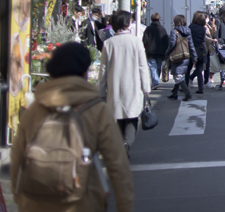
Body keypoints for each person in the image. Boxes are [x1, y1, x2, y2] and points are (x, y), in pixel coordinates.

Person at [11, 42, 134, 212]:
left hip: (35, 202)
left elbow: (17, 158)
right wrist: (124, 206)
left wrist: (21, 200)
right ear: (84, 72)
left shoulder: (36, 109)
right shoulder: (96, 110)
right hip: (81, 201)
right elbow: (117, 165)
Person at [98, 11, 152, 159]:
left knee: (119, 117)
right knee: (132, 118)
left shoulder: (108, 43)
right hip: (133, 86)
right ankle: (126, 143)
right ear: (128, 23)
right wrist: (146, 88)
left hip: (114, 87)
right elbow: (143, 66)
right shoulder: (136, 42)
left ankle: (122, 144)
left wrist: (101, 91)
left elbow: (103, 70)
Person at [166, 14, 196, 101]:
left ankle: (187, 93)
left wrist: (167, 52)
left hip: (176, 56)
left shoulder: (174, 31)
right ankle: (174, 93)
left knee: (178, 75)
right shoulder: (188, 31)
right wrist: (194, 56)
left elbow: (172, 44)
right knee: (177, 74)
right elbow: (191, 45)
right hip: (185, 56)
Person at [142, 12, 169, 90]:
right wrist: (165, 51)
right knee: (158, 67)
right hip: (160, 52)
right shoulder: (163, 29)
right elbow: (166, 41)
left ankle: (155, 82)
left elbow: (145, 40)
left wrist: (146, 47)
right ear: (159, 19)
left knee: (152, 67)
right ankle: (155, 82)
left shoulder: (148, 29)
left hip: (150, 52)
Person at [187, 11, 208, 93]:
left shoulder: (191, 26)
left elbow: (188, 38)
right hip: (201, 49)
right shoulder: (203, 28)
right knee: (199, 69)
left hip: (192, 49)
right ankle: (200, 88)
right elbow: (203, 40)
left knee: (188, 69)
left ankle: (185, 86)